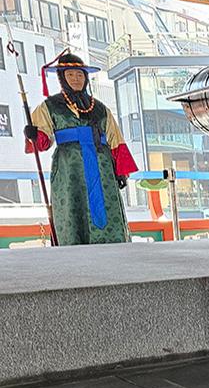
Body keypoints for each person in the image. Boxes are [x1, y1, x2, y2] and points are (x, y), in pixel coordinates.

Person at [23, 52, 139, 246]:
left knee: (106, 209)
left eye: (79, 75)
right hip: (70, 168)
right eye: (70, 75)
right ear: (62, 78)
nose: (76, 79)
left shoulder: (100, 108)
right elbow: (42, 142)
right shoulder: (49, 106)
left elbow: (115, 139)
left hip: (102, 167)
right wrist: (34, 135)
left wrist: (121, 171)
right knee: (71, 209)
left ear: (85, 77)